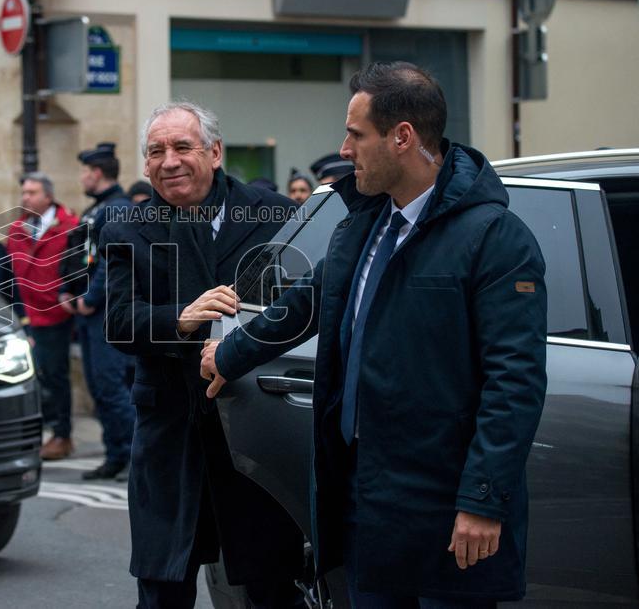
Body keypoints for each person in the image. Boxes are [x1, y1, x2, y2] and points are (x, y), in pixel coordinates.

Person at [201, 61, 548, 606]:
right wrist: (231, 353)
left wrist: (482, 501)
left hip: (444, 509)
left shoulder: (494, 237)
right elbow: (305, 304)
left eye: (356, 134)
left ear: (402, 137)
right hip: (365, 501)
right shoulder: (363, 224)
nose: (344, 148)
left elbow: (515, 383)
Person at [101, 101, 304, 607]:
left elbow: (306, 306)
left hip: (256, 425)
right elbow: (120, 322)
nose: (169, 160)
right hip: (170, 430)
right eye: (156, 151)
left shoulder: (274, 215)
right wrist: (181, 317)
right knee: (164, 583)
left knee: (271, 582)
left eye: (182, 147)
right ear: (145, 166)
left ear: (214, 153)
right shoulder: (125, 228)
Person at [58, 142, 136, 480]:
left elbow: (110, 261)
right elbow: (77, 252)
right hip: (89, 314)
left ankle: (137, 456)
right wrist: (66, 287)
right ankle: (116, 453)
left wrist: (90, 297)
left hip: (104, 314)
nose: (81, 178)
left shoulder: (116, 208)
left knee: (111, 387)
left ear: (97, 173)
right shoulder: (98, 209)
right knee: (99, 388)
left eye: (85, 172)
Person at [6, 172, 79, 460]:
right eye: (24, 192)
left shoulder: (69, 226)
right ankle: (43, 432)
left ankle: (62, 434)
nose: (26, 198)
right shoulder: (17, 230)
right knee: (30, 377)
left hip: (55, 315)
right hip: (25, 314)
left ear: (48, 196)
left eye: (32, 193)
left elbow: (77, 266)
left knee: (55, 376)